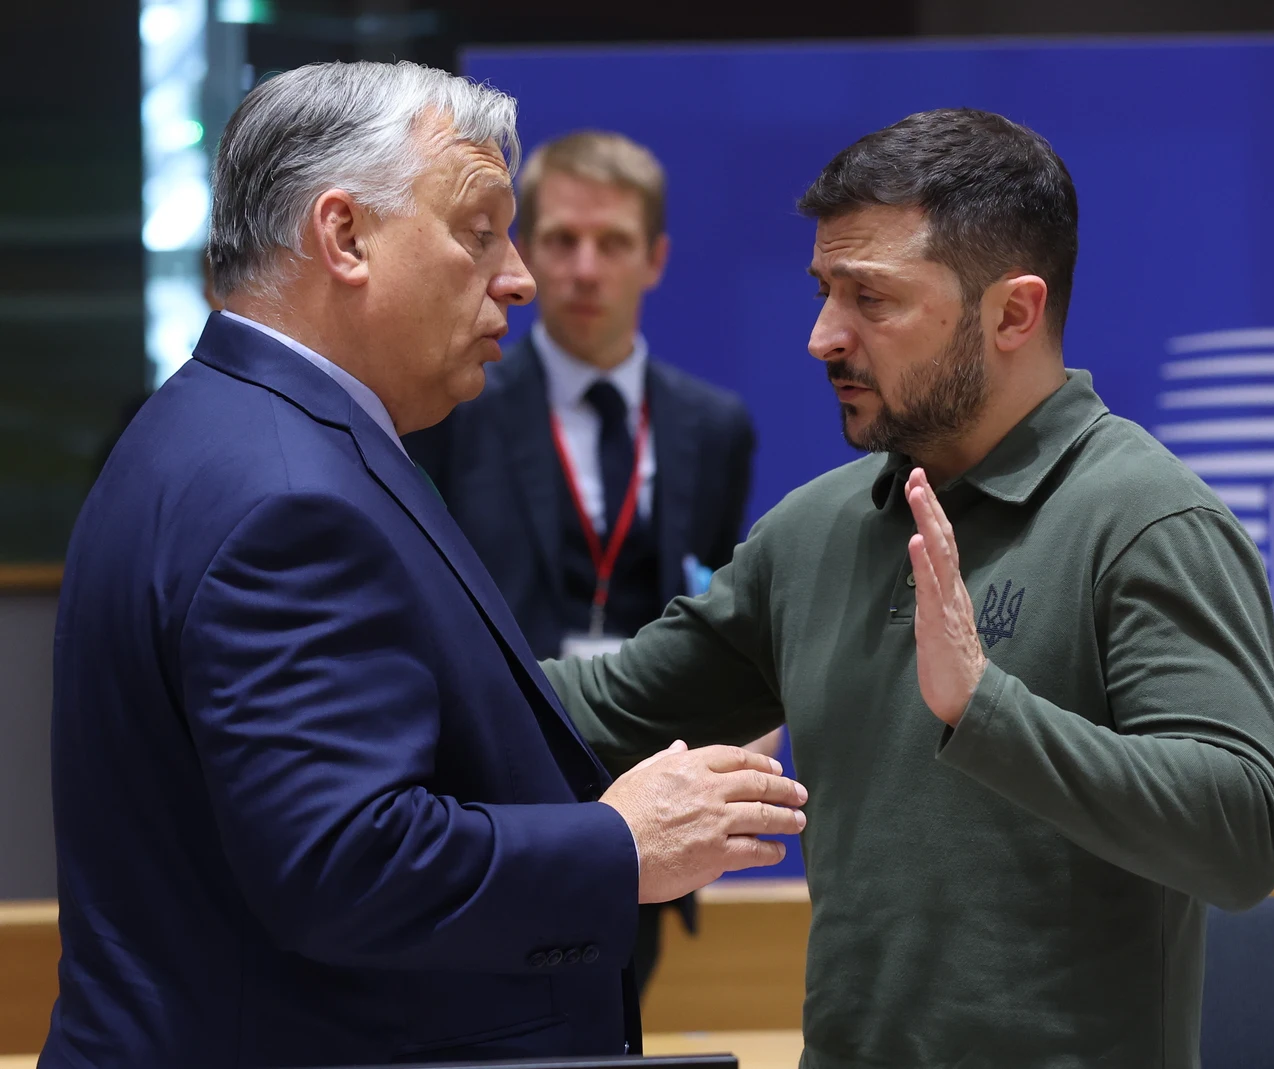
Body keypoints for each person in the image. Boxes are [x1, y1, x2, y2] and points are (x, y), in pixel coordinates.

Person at [43, 61, 804, 1069]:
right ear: (345, 236)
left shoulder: (222, 425)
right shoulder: (290, 496)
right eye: (479, 230)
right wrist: (621, 843)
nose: (518, 278)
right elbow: (344, 862)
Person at [545, 108, 1274, 1068]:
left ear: (1013, 313)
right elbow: (592, 713)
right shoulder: (813, 531)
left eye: (871, 298)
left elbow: (1243, 833)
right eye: (825, 291)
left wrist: (986, 707)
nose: (823, 336)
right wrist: (396, 651)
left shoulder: (1148, 521)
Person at [405, 130, 765, 1009]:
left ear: (656, 259)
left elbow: (715, 605)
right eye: (561, 240)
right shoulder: (456, 406)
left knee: (618, 1020)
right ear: (526, 251)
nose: (584, 268)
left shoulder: (713, 426)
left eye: (613, 242)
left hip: (647, 785)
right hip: (495, 794)